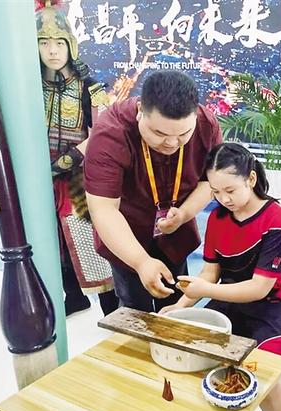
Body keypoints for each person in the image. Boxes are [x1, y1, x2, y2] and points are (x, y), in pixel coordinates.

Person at [160, 142, 281, 411]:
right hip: (227, 301)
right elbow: (209, 274)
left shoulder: (275, 219)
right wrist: (178, 307)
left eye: (230, 190)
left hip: (272, 307)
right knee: (190, 350)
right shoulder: (218, 218)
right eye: (215, 192)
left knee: (260, 369)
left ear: (251, 179)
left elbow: (259, 287)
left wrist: (205, 291)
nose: (224, 199)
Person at [84, 71, 222, 312]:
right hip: (126, 232)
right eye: (159, 133)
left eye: (183, 134)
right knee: (134, 307)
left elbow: (210, 181)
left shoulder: (206, 125)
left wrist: (184, 213)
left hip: (175, 230)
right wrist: (140, 261)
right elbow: (104, 209)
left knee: (176, 301)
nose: (171, 143)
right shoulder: (110, 132)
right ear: (140, 110)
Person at [35, 1, 119, 316]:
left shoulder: (90, 87)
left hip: (79, 176)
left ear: (70, 44)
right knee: (52, 239)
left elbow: (102, 133)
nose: (52, 50)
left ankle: (113, 310)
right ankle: (73, 295)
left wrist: (64, 162)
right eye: (44, 43)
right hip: (39, 173)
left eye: (59, 42)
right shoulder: (29, 85)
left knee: (89, 237)